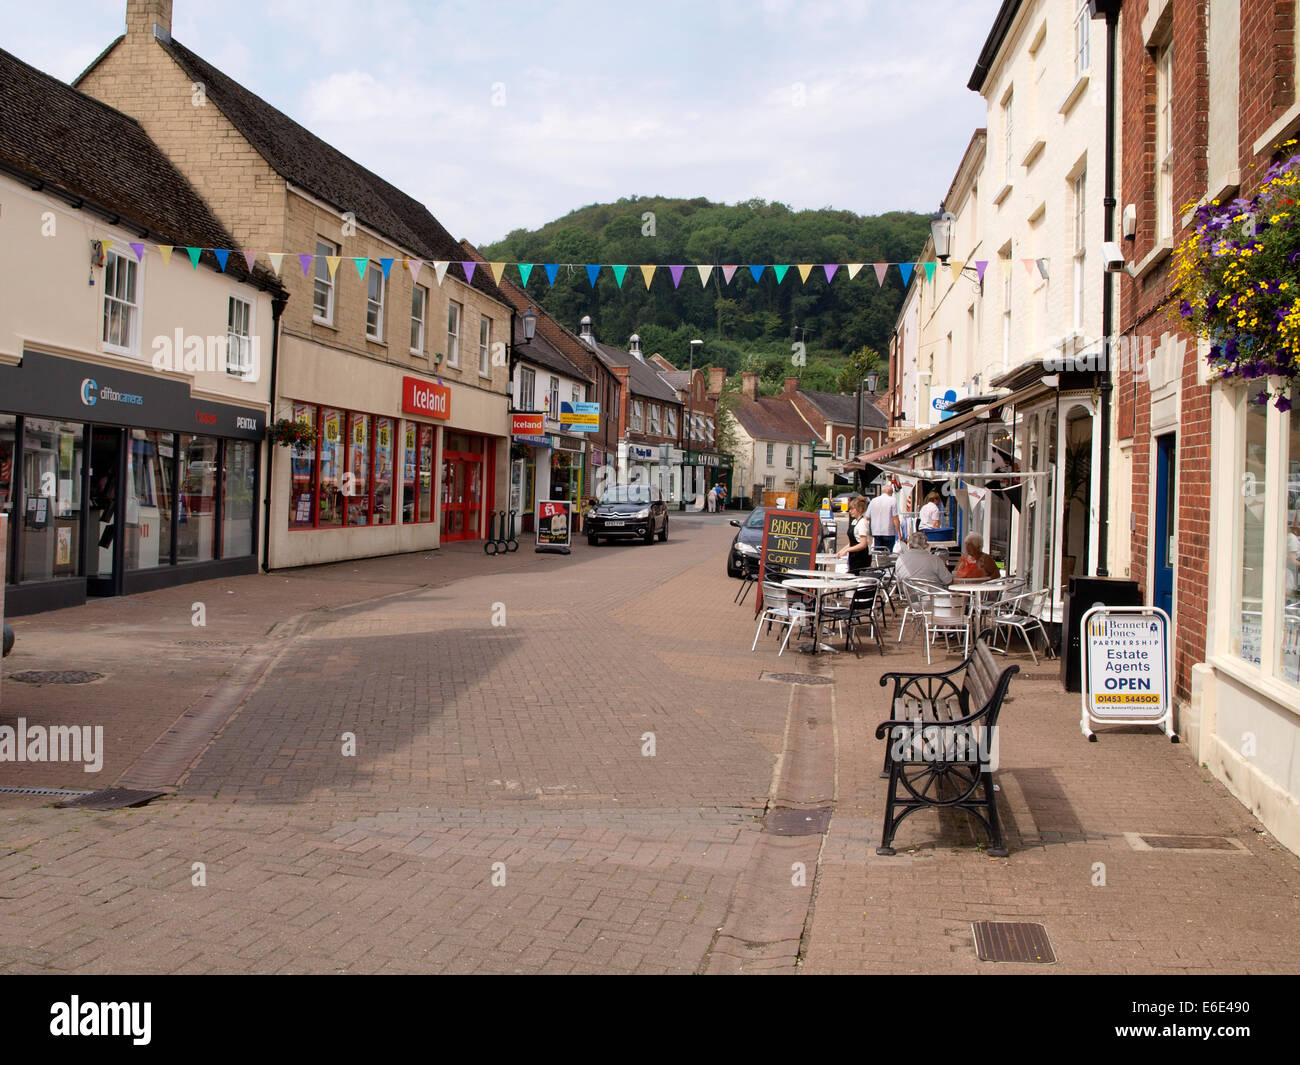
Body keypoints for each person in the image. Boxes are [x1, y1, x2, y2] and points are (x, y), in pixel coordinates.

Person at [836, 495, 872, 573]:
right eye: (850, 509)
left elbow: (863, 544)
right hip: (853, 555)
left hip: (861, 557)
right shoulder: (854, 521)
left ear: (860, 509)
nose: (850, 511)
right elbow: (852, 542)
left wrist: (847, 550)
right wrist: (842, 550)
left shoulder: (862, 523)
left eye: (852, 509)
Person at [866, 481, 902, 552]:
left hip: (876, 531)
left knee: (878, 552)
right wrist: (899, 533)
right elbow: (895, 518)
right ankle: (887, 563)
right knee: (888, 552)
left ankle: (879, 563)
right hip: (888, 531)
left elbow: (867, 517)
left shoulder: (873, 501)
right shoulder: (892, 500)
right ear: (891, 492)